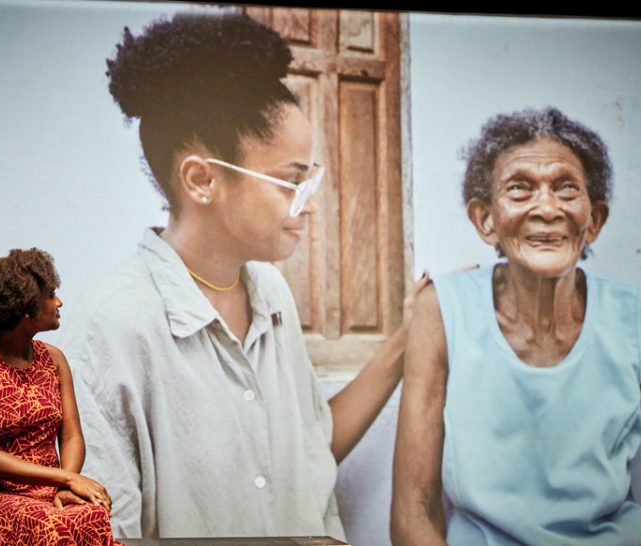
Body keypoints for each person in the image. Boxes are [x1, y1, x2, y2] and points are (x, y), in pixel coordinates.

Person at [60, 12, 427, 540]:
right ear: (201, 180)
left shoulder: (269, 292)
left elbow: (308, 454)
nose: (308, 204)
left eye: (309, 181)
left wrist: (406, 341)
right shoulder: (109, 329)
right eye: (289, 182)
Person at [390, 107, 641, 545]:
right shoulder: (441, 310)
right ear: (485, 220)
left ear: (594, 220)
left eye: (566, 188)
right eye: (520, 189)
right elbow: (413, 512)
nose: (548, 208)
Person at [0, 248, 122, 546]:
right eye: (51, 295)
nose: (59, 302)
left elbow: (71, 436)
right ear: (26, 307)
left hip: (47, 491)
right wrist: (67, 479)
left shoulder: (54, 359)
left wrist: (65, 486)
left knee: (91, 515)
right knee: (51, 526)